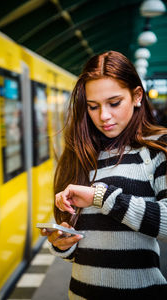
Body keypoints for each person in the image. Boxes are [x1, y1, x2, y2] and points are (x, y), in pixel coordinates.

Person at [41, 50, 167, 299]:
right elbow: (82, 246)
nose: (104, 117)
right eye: (93, 107)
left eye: (114, 103)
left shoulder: (156, 148)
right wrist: (63, 243)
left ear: (137, 96)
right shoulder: (81, 153)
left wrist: (101, 197)